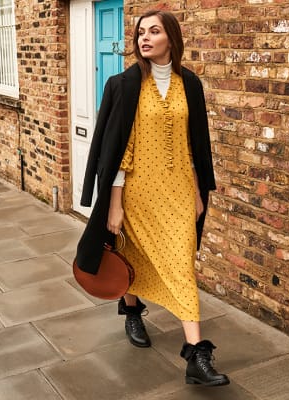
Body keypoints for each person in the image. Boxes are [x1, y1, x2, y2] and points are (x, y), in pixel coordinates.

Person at [75, 10, 230, 387]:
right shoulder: (123, 84)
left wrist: (197, 191)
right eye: (141, 32)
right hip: (136, 192)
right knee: (130, 253)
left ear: (171, 39)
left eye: (154, 31)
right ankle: (132, 311)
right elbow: (118, 149)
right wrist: (114, 203)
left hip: (177, 192)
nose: (145, 38)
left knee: (181, 265)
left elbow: (194, 146)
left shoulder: (189, 84)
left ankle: (197, 356)